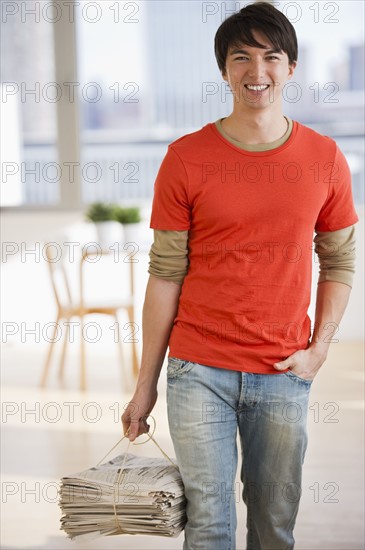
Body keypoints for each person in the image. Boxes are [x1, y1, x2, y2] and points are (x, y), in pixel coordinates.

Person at [122, 3, 358, 548]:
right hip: (197, 368)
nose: (258, 72)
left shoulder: (323, 158)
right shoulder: (185, 159)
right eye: (241, 58)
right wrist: (144, 386)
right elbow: (164, 276)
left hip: (283, 370)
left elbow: (341, 260)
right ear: (224, 70)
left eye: (271, 57)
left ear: (291, 67)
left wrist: (318, 348)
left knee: (274, 525)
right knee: (208, 524)